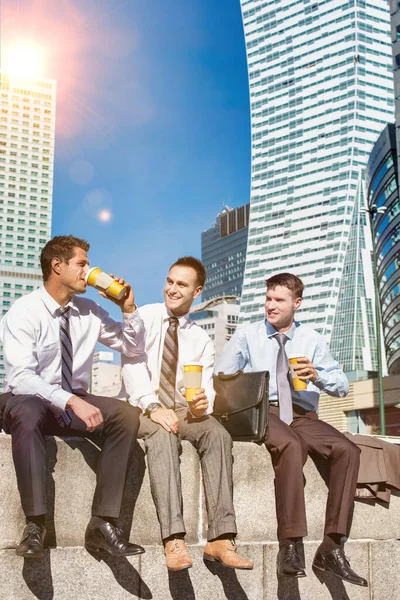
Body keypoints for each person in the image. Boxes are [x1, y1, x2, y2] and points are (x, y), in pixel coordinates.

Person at [216, 272, 367, 587]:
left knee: (347, 450)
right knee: (291, 446)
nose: (270, 306)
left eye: (278, 300)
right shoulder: (247, 335)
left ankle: (332, 546)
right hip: (264, 411)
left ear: (296, 303)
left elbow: (341, 387)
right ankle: (290, 545)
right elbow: (221, 376)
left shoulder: (311, 339)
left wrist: (317, 375)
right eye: (268, 299)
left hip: (303, 415)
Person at [0, 235, 146, 559]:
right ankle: (36, 525)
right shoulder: (23, 311)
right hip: (29, 397)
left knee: (125, 415)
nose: (88, 271)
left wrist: (129, 309)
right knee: (26, 410)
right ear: (57, 265)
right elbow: (20, 377)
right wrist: (68, 400)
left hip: (71, 400)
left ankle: (102, 525)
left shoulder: (89, 311)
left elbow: (133, 348)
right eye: (82, 264)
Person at [122, 256, 253, 572]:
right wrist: (152, 407)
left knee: (217, 433)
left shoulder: (201, 338)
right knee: (163, 435)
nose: (172, 289)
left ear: (197, 291)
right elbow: (131, 361)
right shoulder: (145, 317)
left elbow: (204, 388)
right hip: (142, 404)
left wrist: (201, 406)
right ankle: (173, 539)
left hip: (181, 408)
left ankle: (221, 538)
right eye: (170, 281)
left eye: (181, 284)